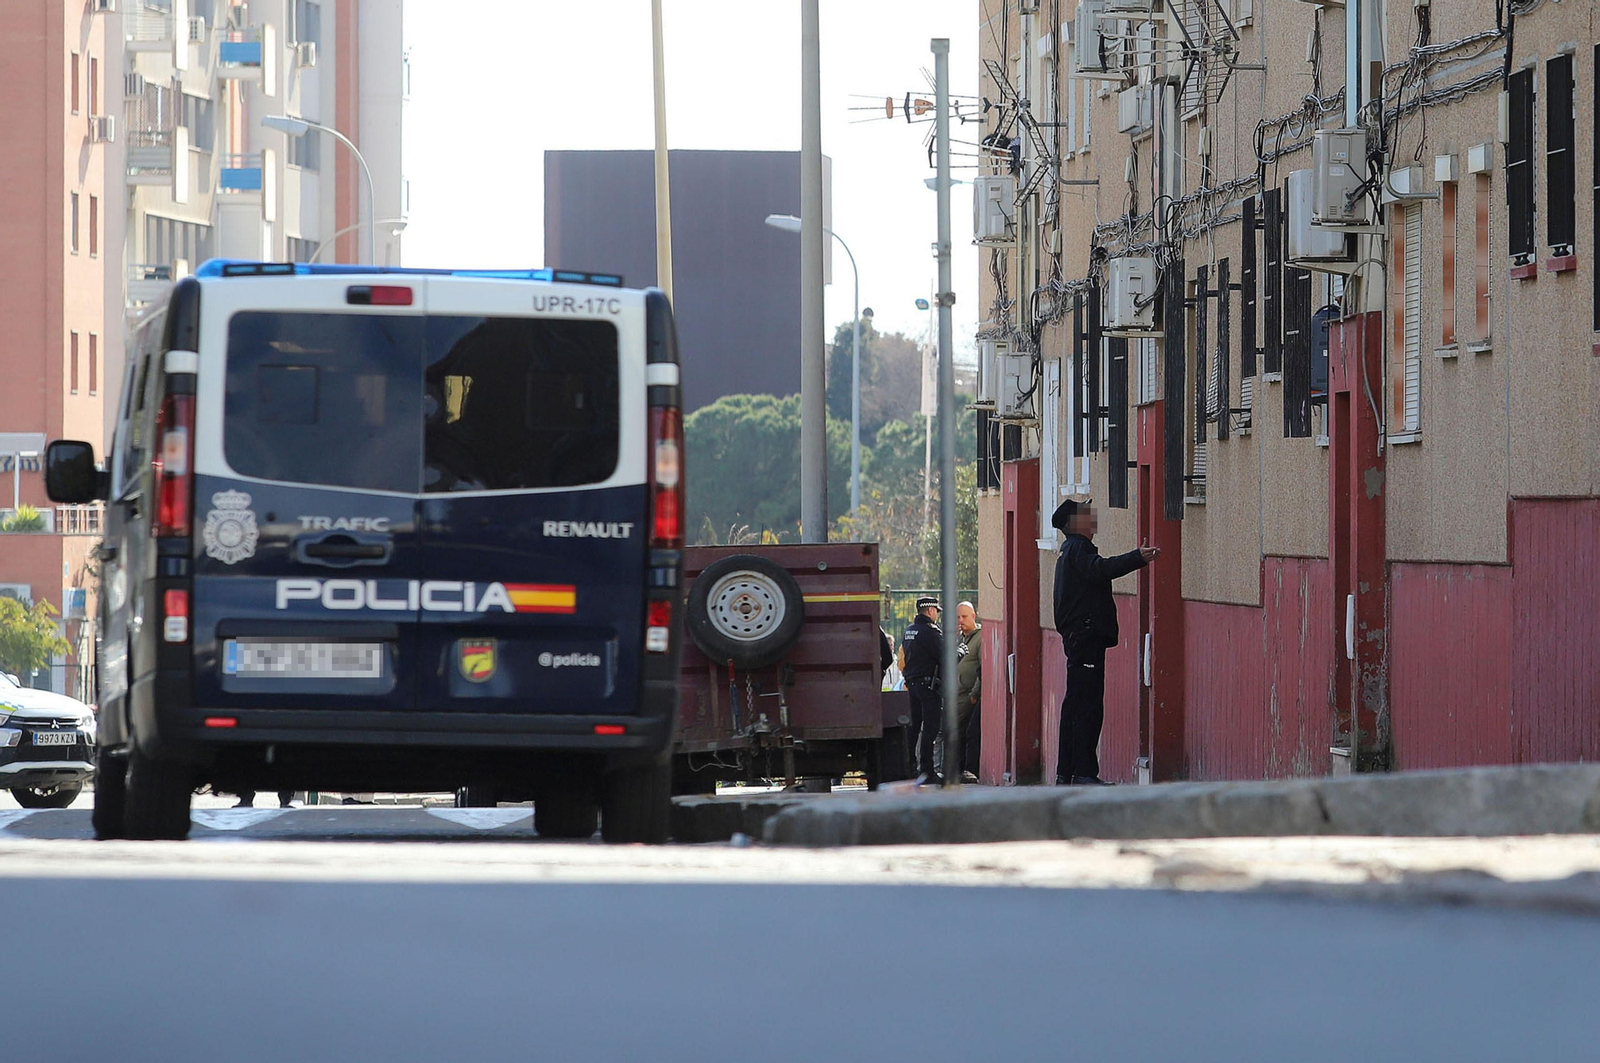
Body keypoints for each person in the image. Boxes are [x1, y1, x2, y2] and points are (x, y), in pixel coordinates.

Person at [1051, 499, 1159, 785]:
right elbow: (1101, 569)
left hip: (1079, 639)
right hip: (1085, 640)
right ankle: (1083, 773)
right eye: (1086, 514)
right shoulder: (1079, 549)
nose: (1092, 518)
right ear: (1075, 523)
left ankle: (1068, 773)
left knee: (1076, 704)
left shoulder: (1069, 551)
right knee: (1087, 706)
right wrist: (1137, 558)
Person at [899, 595, 944, 783]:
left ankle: (909, 769)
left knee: (913, 728)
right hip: (928, 686)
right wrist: (959, 652)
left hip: (912, 685)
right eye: (936, 612)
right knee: (930, 729)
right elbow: (945, 656)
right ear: (931, 610)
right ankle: (927, 771)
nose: (937, 615)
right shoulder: (931, 631)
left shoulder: (909, 631)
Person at [953, 601, 982, 783]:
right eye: (958, 617)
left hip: (969, 695)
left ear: (973, 616)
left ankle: (967, 770)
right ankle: (957, 770)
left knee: (964, 731)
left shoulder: (980, 638)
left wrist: (974, 694)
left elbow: (982, 668)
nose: (960, 621)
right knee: (955, 731)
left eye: (964, 617)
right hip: (956, 694)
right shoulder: (960, 638)